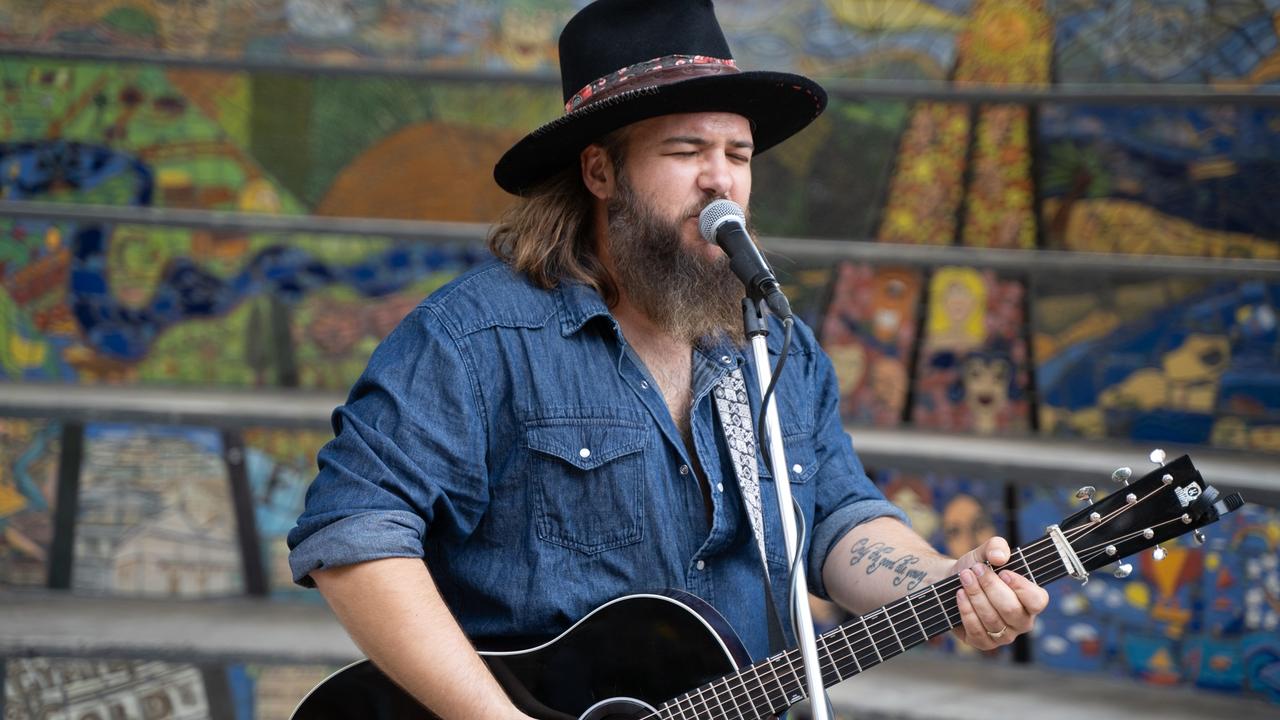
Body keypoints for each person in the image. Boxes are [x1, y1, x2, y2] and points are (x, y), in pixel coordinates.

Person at [287, 1, 1049, 718]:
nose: (721, 178)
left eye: (738, 154)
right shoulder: (475, 339)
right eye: (686, 150)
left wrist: (946, 587)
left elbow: (832, 518)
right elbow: (354, 532)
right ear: (600, 172)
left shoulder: (773, 343)